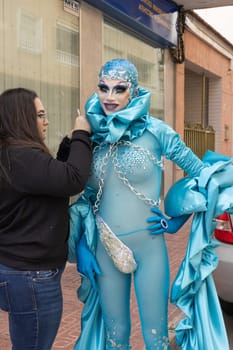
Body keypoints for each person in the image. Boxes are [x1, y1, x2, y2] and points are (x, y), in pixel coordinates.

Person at [68, 58, 207, 350]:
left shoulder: (157, 131)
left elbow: (202, 175)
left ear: (134, 91)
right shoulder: (94, 135)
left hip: (150, 248)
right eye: (103, 88)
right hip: (105, 248)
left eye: (119, 89)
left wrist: (177, 220)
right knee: (115, 335)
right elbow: (88, 196)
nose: (109, 97)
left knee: (155, 337)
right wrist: (82, 244)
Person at [0, 87, 92, 350]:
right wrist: (81, 133)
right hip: (31, 277)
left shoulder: (12, 154)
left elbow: (52, 181)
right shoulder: (22, 157)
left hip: (15, 270)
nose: (46, 121)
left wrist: (68, 144)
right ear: (22, 118)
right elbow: (73, 179)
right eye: (40, 115)